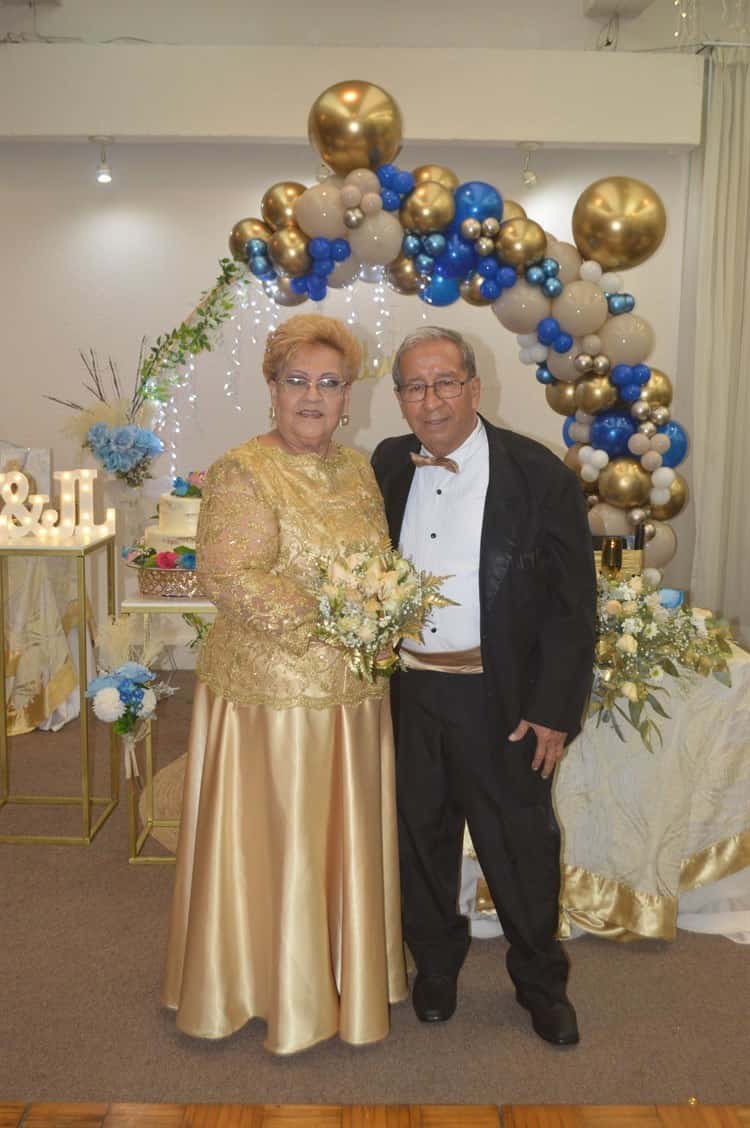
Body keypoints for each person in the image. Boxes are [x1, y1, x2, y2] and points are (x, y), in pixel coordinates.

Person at [162, 314, 407, 1055]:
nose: (313, 397)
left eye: (329, 384)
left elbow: (380, 566)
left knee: (340, 842)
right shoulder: (244, 469)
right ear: (272, 390)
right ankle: (262, 984)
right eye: (297, 381)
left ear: (347, 397)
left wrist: (386, 612)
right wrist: (340, 620)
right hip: (272, 704)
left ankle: (343, 973)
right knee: (283, 846)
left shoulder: (359, 468)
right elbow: (229, 575)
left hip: (352, 699)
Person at [371, 326, 596, 1046]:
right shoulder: (386, 465)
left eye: (444, 383)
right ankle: (435, 966)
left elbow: (571, 609)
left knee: (520, 846)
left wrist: (552, 711)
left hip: (499, 699)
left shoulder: (539, 475)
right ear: (400, 397)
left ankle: (540, 982)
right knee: (419, 840)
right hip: (409, 693)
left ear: (473, 386)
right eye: (414, 385)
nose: (430, 400)